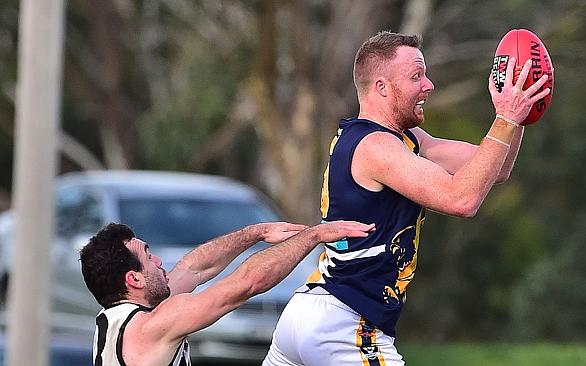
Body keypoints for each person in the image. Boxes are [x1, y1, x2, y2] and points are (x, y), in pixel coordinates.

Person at [263, 31, 551, 366]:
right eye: (416, 76)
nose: (428, 85)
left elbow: (493, 170)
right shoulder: (376, 147)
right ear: (382, 87)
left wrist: (519, 111)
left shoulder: (402, 138)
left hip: (308, 312)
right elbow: (462, 200)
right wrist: (505, 119)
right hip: (344, 325)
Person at [79, 220, 374, 366]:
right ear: (134, 279)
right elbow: (245, 285)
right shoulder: (151, 326)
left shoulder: (117, 318)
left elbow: (193, 269)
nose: (158, 262)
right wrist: (315, 236)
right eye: (148, 256)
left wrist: (255, 233)